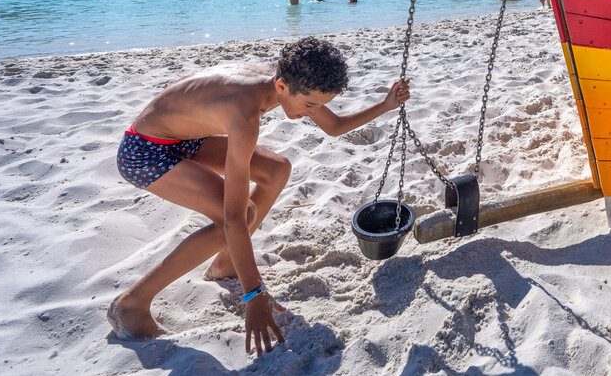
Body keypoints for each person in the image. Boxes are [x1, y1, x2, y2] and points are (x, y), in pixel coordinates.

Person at [107, 37, 410, 354]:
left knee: (276, 169)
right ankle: (131, 304)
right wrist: (254, 294)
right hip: (144, 152)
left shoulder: (288, 78)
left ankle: (226, 264)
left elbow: (333, 126)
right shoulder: (244, 112)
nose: (314, 112)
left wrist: (386, 105)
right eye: (310, 105)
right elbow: (234, 218)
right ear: (281, 86)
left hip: (184, 138)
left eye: (321, 104)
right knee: (239, 215)